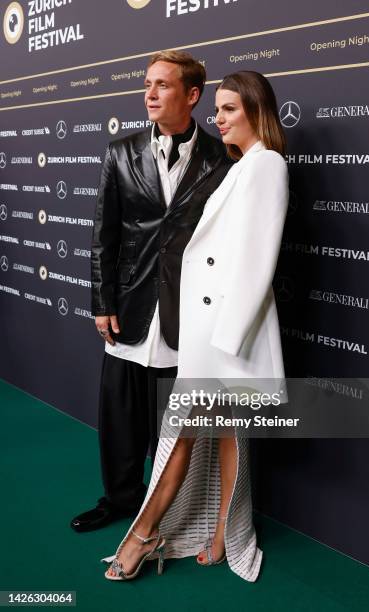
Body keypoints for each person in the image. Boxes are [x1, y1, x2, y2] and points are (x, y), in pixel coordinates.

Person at [102, 70, 288, 582]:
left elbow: (255, 261)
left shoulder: (265, 165)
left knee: (183, 434)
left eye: (230, 109)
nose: (218, 118)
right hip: (211, 328)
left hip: (224, 333)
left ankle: (144, 537)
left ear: (255, 109)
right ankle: (223, 533)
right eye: (218, 109)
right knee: (223, 435)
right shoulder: (242, 165)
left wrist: (225, 341)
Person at [71, 50, 230, 532]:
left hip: (189, 309)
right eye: (147, 85)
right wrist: (103, 301)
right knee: (119, 414)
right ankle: (120, 499)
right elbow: (105, 234)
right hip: (132, 304)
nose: (150, 94)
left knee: (174, 420)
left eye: (162, 85)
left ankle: (171, 509)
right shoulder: (120, 152)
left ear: (192, 95)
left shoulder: (224, 158)